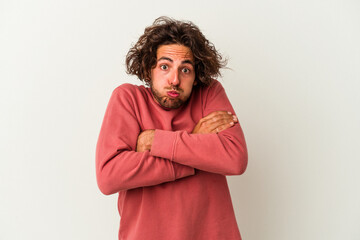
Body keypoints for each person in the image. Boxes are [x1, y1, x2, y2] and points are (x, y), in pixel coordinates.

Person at [96, 16, 248, 240]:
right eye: (164, 67)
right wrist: (194, 144)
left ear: (196, 76)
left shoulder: (209, 94)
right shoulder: (128, 98)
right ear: (149, 70)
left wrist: (157, 140)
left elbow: (235, 159)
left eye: (185, 70)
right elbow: (109, 176)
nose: (174, 80)